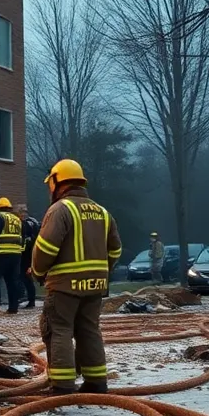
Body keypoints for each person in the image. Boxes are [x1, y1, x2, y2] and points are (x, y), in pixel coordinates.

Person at [32, 159, 123, 393]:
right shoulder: (102, 212)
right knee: (89, 329)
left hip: (64, 286)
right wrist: (102, 271)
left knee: (58, 328)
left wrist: (38, 271)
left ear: (57, 181)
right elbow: (115, 249)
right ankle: (95, 382)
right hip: (95, 286)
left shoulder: (60, 209)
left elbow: (46, 248)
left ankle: (62, 386)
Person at [19, 204, 40, 309]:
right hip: (34, 252)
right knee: (27, 278)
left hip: (25, 255)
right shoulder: (34, 221)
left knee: (25, 277)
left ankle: (30, 300)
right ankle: (30, 299)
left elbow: (25, 240)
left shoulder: (25, 223)